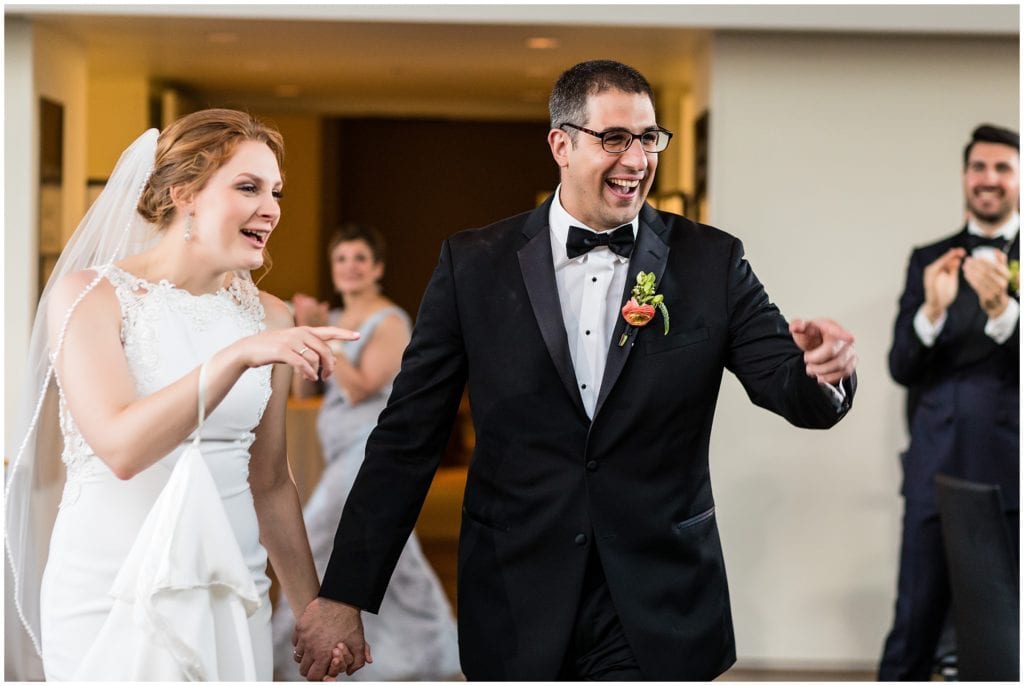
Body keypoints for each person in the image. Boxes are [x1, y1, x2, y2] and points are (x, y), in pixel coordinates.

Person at [293, 60, 858, 681]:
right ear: (561, 144)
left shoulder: (711, 261)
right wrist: (347, 592)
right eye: (614, 138)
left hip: (657, 595)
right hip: (517, 591)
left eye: (648, 139)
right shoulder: (473, 265)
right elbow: (407, 438)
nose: (637, 159)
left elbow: (787, 382)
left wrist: (821, 372)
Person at [4, 109, 360, 680]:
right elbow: (121, 448)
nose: (270, 208)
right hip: (110, 585)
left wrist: (313, 610)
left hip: (227, 582)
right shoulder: (91, 297)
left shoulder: (270, 315)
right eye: (247, 187)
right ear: (183, 194)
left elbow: (268, 481)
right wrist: (235, 357)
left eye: (276, 192)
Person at [271, 225, 461, 680]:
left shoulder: (389, 320)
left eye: (360, 259)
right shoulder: (335, 315)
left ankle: (284, 653)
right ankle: (425, 652)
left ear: (376, 267)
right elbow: (307, 385)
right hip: (338, 450)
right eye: (342, 259)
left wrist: (327, 338)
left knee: (311, 537)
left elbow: (361, 389)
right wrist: (304, 334)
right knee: (393, 558)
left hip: (367, 452)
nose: (350, 267)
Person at [879, 124, 1019, 681]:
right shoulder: (929, 258)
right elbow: (900, 365)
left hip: (1014, 467)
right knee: (914, 617)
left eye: (1003, 168)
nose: (989, 179)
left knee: (1005, 627)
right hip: (934, 464)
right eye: (980, 167)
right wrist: (931, 313)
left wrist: (1004, 314)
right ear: (965, 176)